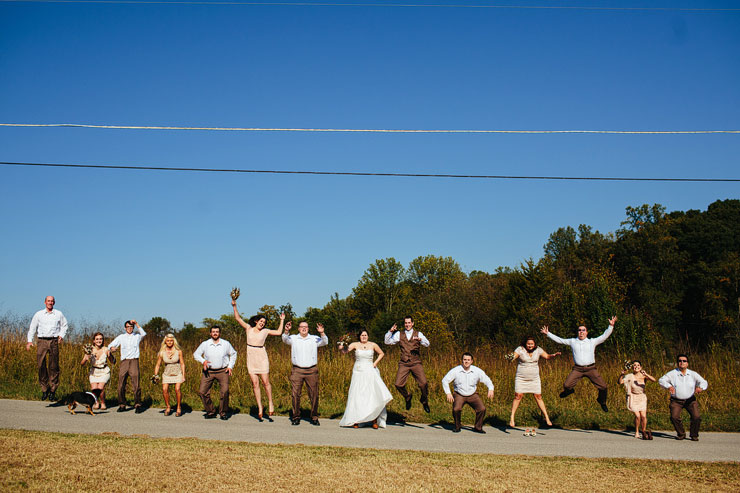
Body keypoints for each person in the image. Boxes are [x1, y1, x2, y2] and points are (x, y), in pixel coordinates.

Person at [541, 316, 617, 412]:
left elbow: (604, 336)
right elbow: (560, 340)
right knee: (566, 385)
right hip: (578, 369)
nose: (581, 332)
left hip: (591, 369)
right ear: (578, 332)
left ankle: (602, 401)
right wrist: (548, 333)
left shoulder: (592, 342)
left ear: (586, 332)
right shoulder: (573, 341)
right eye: (579, 330)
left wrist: (611, 326)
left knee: (603, 387)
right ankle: (570, 391)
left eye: (583, 330)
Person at [232, 299, 284, 420]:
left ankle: (270, 403)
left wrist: (281, 320)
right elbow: (238, 319)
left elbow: (279, 332)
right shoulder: (248, 328)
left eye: (264, 322)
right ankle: (260, 407)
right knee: (255, 384)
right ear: (256, 321)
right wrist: (234, 306)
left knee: (266, 382)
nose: (262, 323)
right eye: (261, 321)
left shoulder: (265, 331)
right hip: (251, 357)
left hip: (261, 357)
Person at [337, 329, 393, 429]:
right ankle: (356, 420)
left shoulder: (373, 345)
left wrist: (375, 363)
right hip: (358, 371)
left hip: (370, 370)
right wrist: (342, 347)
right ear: (359, 336)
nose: (364, 337)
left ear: (368, 336)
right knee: (357, 394)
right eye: (362, 335)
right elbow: (345, 351)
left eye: (365, 335)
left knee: (371, 394)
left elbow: (381, 353)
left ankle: (374, 420)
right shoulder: (355, 344)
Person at [282, 320, 328, 425]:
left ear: (308, 329)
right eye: (302, 327)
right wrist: (286, 330)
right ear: (298, 328)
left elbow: (325, 342)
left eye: (306, 327)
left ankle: (314, 417)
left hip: (311, 370)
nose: (304, 328)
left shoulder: (314, 338)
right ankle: (296, 416)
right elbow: (284, 339)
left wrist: (322, 332)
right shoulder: (293, 338)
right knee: (295, 394)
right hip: (297, 370)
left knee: (314, 394)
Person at [509, 335, 560, 427]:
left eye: (532, 344)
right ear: (525, 344)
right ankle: (512, 417)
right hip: (521, 378)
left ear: (534, 344)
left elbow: (547, 356)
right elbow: (514, 356)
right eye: (528, 344)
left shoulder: (538, 350)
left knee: (538, 396)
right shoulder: (520, 349)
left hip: (534, 378)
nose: (530, 345)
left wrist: (553, 355)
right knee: (518, 396)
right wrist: (510, 357)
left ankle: (547, 417)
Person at [384, 316, 431, 413]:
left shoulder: (418, 334)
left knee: (423, 384)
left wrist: (420, 340)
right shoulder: (399, 334)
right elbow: (387, 341)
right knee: (398, 384)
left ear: (412, 323)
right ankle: (407, 396)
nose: (407, 325)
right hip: (404, 363)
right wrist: (390, 331)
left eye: (409, 323)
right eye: (406, 323)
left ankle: (424, 400)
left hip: (416, 362)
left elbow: (427, 344)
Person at [26, 295, 68, 401]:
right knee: (41, 365)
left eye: (52, 301)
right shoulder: (39, 314)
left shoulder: (58, 314)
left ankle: (53, 390)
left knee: (54, 366)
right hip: (42, 341)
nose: (50, 303)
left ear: (54, 302)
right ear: (45, 302)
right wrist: (29, 341)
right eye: (48, 301)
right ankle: (44, 388)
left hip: (53, 341)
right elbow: (32, 327)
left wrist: (61, 335)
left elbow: (65, 325)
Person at [658, 354, 708, 441]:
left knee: (696, 417)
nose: (682, 362)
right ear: (677, 363)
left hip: (690, 400)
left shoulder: (693, 374)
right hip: (676, 400)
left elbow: (703, 382)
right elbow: (661, 380)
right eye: (680, 361)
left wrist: (700, 388)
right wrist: (669, 386)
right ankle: (681, 434)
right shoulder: (672, 373)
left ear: (687, 363)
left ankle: (694, 435)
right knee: (674, 417)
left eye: (684, 361)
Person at [441, 352, 494, 433]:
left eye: (468, 360)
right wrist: (448, 393)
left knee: (482, 409)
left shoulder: (477, 371)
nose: (466, 361)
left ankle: (478, 427)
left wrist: (491, 388)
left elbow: (487, 379)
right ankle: (457, 427)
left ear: (472, 361)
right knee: (456, 409)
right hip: (459, 394)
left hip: (472, 394)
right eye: (465, 359)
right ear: (462, 361)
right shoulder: (456, 370)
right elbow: (445, 380)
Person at [193, 325, 237, 420]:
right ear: (210, 333)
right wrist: (203, 361)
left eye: (217, 331)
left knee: (224, 391)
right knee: (202, 392)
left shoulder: (226, 344)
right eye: (213, 332)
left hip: (223, 370)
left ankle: (223, 412)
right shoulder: (205, 344)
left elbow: (233, 354)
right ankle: (211, 411)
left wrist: (230, 366)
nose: (215, 333)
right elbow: (196, 354)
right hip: (208, 371)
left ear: (219, 333)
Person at [108, 319, 147, 413]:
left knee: (136, 384)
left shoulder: (137, 336)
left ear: (133, 328)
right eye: (128, 327)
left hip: (134, 361)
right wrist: (112, 348)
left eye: (131, 327)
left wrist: (137, 324)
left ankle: (137, 404)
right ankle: (122, 404)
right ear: (125, 328)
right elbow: (110, 346)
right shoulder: (121, 337)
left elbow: (144, 334)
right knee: (121, 383)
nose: (129, 328)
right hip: (124, 361)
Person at [619, 360, 656, 439]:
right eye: (634, 365)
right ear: (632, 367)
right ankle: (636, 431)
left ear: (641, 367)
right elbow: (620, 382)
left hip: (641, 397)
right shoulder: (630, 376)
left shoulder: (643, 376)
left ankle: (643, 431)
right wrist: (622, 374)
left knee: (643, 416)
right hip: (633, 397)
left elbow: (654, 380)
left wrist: (646, 374)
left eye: (638, 365)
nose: (636, 367)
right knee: (638, 416)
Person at [153, 333, 186, 417]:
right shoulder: (162, 352)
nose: (170, 342)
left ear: (174, 341)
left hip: (177, 372)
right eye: (168, 341)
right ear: (165, 342)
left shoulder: (178, 351)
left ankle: (178, 407)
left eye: (171, 341)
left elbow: (182, 363)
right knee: (164, 389)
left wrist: (183, 375)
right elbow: (158, 364)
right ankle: (168, 406)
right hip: (167, 373)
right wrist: (155, 375)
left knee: (177, 389)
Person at [79, 332, 112, 410]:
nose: (99, 341)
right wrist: (86, 359)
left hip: (104, 371)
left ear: (103, 340)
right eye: (97, 339)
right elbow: (82, 363)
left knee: (100, 388)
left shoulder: (106, 349)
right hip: (94, 372)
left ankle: (103, 402)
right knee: (94, 388)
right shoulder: (89, 349)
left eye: (100, 339)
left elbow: (113, 362)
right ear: (94, 341)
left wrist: (111, 355)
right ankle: (96, 402)